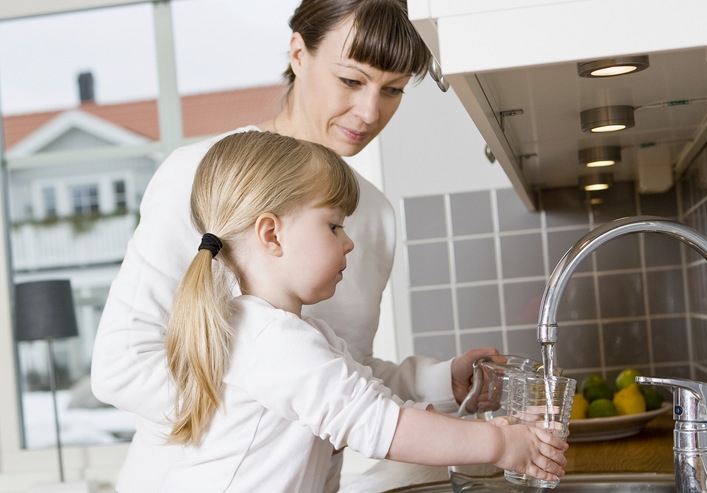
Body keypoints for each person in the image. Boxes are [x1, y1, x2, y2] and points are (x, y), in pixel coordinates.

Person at [90, 1, 497, 491]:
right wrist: (277, 415)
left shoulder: (373, 214)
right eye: (351, 80)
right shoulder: (205, 176)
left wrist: (437, 382)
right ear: (298, 53)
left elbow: (333, 373)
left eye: (392, 90)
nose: (370, 111)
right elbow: (123, 366)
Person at [152, 131, 567, 492]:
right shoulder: (272, 341)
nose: (348, 242)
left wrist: (489, 425)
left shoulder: (291, 333)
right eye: (334, 226)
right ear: (271, 234)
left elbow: (385, 408)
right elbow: (380, 425)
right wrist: (499, 445)